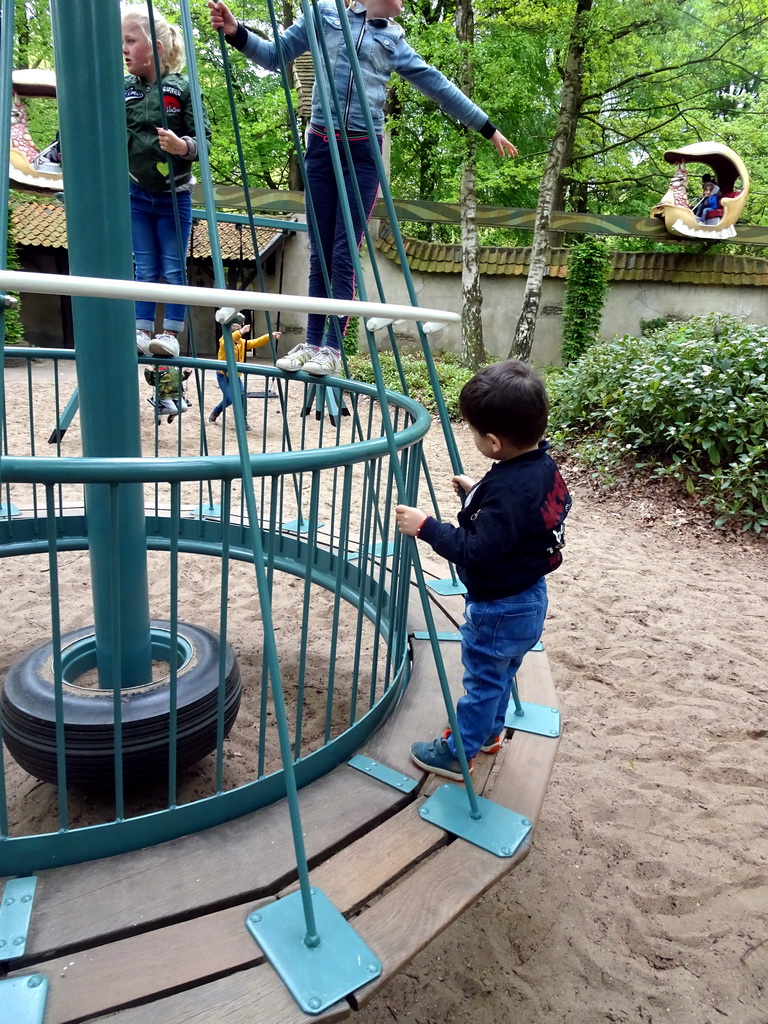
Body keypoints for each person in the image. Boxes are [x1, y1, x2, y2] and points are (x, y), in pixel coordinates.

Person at [208, 0, 517, 378]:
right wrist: (236, 32)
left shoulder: (393, 38)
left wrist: (487, 127)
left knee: (342, 252)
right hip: (321, 146)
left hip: (362, 151)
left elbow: (439, 87)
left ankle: (333, 349)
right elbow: (274, 57)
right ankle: (312, 342)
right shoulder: (324, 16)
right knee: (319, 251)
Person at [395, 361, 571, 781]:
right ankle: (491, 733)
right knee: (501, 673)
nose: (473, 438)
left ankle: (458, 753)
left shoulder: (507, 490)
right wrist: (479, 493)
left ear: (493, 442)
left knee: (481, 684)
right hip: (530, 597)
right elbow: (524, 516)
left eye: (474, 433)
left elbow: (474, 551)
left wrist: (427, 527)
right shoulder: (543, 466)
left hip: (499, 608)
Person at [123, 5, 211, 359]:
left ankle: (171, 333)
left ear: (156, 47)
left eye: (130, 40)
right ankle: (141, 328)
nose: (124, 49)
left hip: (175, 194)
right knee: (144, 266)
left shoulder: (182, 88)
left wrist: (181, 146)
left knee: (173, 266)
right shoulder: (124, 88)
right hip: (136, 191)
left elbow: (202, 141)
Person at [208, 314, 280, 430]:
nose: (238, 338)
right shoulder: (224, 341)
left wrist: (269, 336)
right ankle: (215, 413)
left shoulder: (241, 342)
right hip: (223, 376)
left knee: (242, 397)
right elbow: (228, 341)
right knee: (229, 398)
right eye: (237, 334)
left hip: (236, 376)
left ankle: (243, 422)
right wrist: (241, 331)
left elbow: (255, 342)